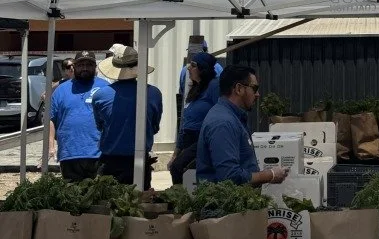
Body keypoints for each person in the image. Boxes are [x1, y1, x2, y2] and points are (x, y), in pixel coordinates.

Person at [196, 64, 288, 186]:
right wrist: (270, 175)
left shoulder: (233, 117)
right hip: (226, 204)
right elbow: (229, 177)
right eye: (254, 88)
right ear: (239, 89)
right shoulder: (223, 123)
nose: (258, 94)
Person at [91, 47, 162, 189]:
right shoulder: (153, 93)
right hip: (140, 160)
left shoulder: (100, 96)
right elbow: (154, 126)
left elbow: (100, 126)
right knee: (139, 206)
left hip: (110, 162)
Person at [48, 51, 108, 181]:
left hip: (99, 153)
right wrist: (51, 146)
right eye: (81, 65)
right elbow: (51, 120)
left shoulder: (106, 87)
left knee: (99, 197)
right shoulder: (61, 90)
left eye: (89, 64)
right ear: (74, 67)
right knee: (72, 197)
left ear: (95, 66)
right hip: (69, 153)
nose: (85, 68)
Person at [168, 52, 220, 184]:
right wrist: (176, 152)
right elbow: (184, 123)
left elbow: (221, 112)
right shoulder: (195, 89)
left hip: (202, 139)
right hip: (188, 140)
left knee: (177, 168)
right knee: (178, 168)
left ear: (203, 69)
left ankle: (180, 200)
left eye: (193, 65)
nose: (189, 68)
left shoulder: (214, 86)